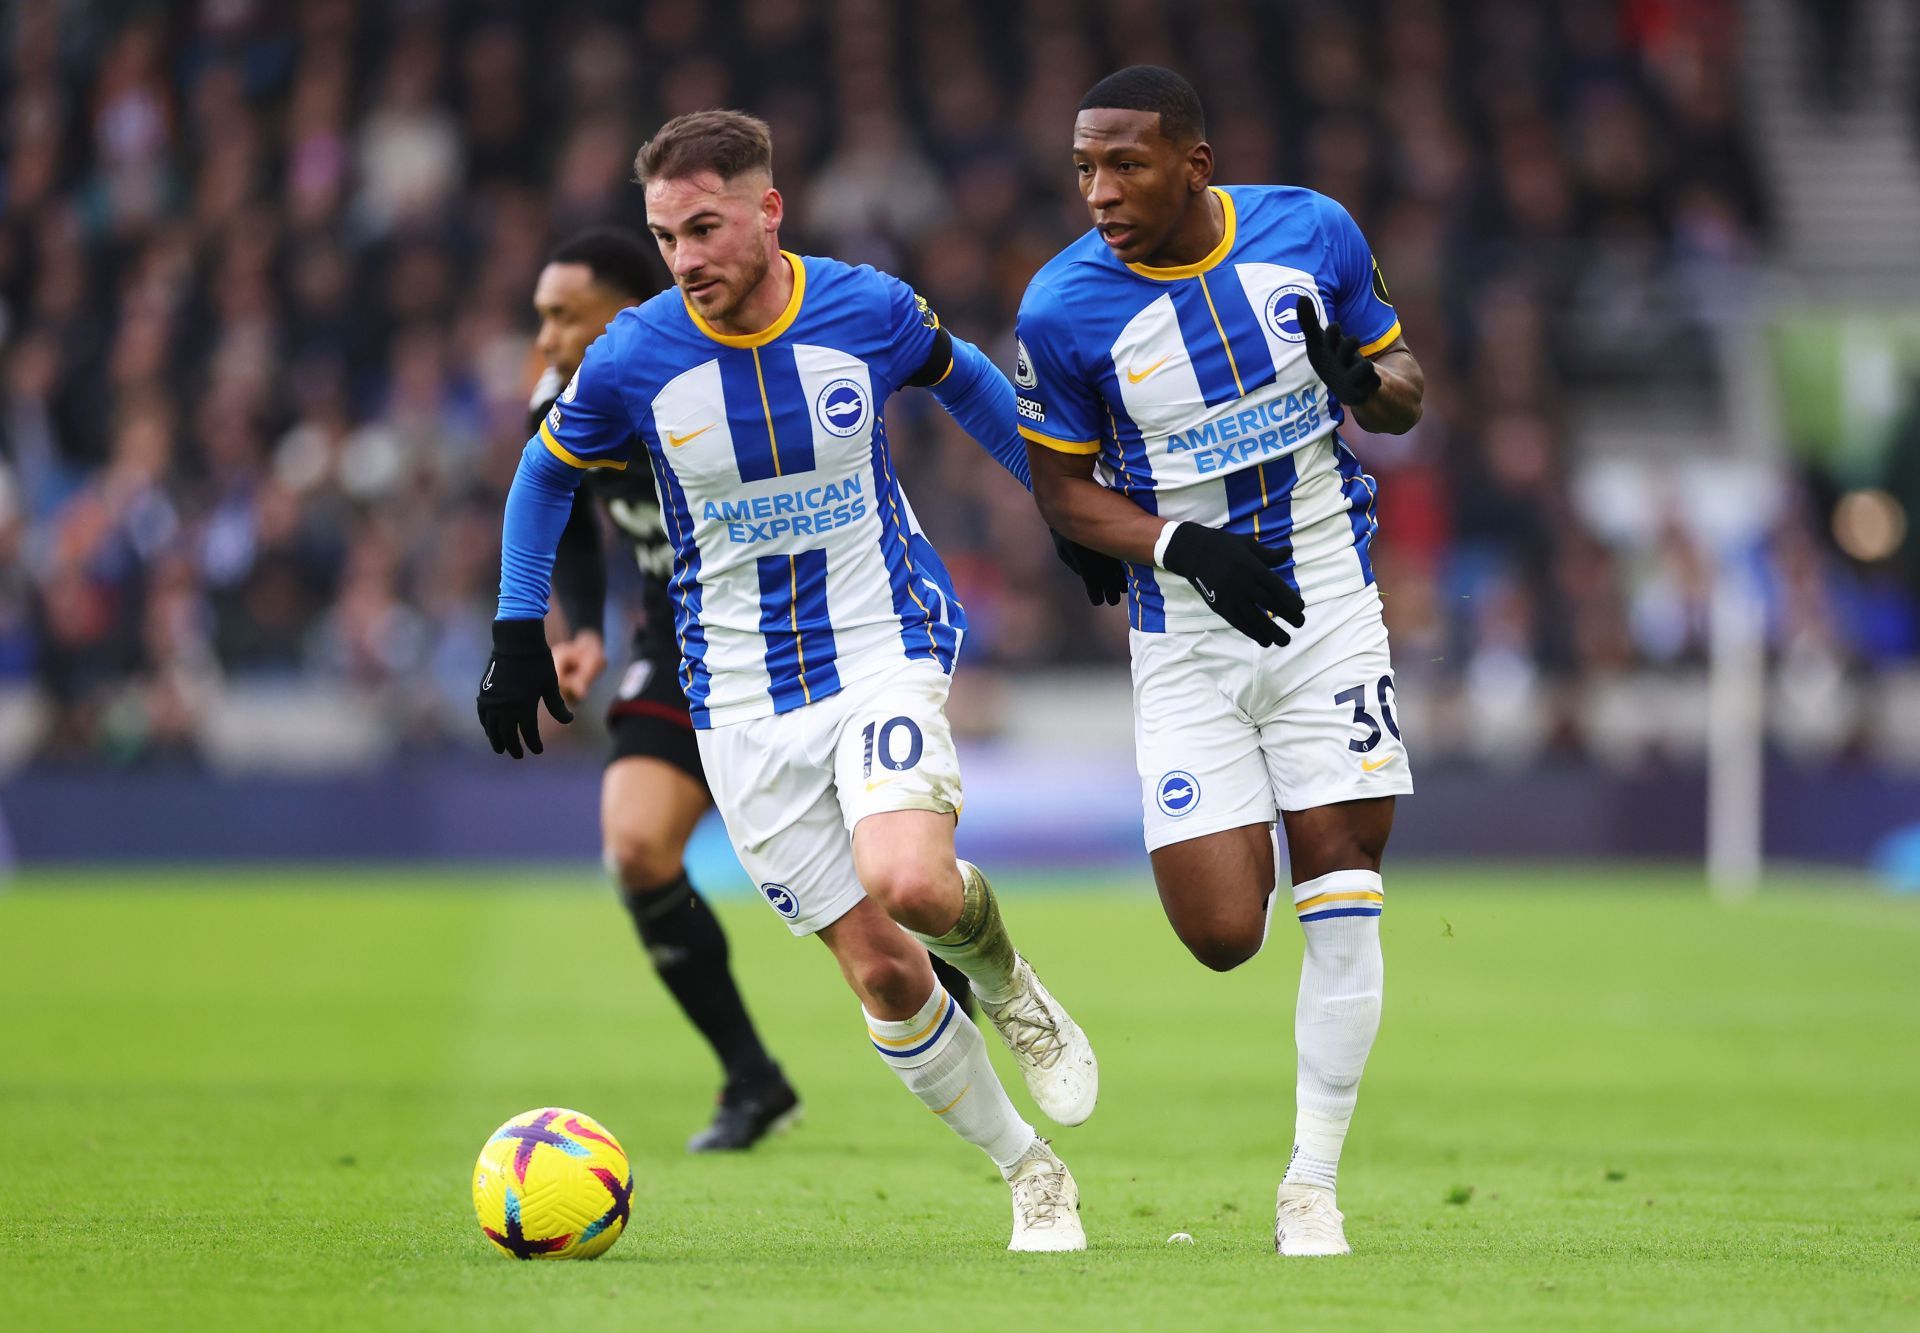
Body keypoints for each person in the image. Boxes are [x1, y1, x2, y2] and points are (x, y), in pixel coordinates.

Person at [479, 110, 1099, 1252]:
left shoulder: (863, 305)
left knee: (910, 882)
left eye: (706, 228)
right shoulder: (631, 357)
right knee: (878, 968)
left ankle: (1010, 982)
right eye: (667, 238)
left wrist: (1063, 509)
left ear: (769, 212)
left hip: (878, 647)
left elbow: (964, 382)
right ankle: (1030, 1170)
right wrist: (524, 625)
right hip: (739, 702)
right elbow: (539, 477)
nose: (687, 259)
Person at [1014, 66, 1426, 1257]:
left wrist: (1364, 386)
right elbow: (1061, 495)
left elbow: (1403, 386)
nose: (1099, 190)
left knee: (1341, 881)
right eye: (1085, 167)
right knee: (1222, 933)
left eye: (1124, 164)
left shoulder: (1311, 231)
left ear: (1194, 164)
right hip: (1185, 638)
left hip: (1329, 608)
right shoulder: (1060, 308)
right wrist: (1180, 545)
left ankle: (1312, 1187)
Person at [528, 228, 977, 1151]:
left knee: (884, 874)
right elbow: (565, 510)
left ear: (619, 317)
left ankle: (949, 952)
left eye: (562, 319)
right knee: (635, 846)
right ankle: (751, 1077)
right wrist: (577, 627)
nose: (545, 342)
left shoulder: (707, 369)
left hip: (801, 636)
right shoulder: (571, 396)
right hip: (674, 633)